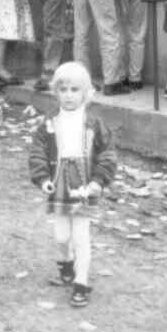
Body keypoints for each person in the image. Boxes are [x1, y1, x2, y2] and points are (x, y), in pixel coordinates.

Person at [27, 62, 117, 309]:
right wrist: (42, 177)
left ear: (86, 93)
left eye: (75, 90)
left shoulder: (94, 123)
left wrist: (98, 181)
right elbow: (37, 151)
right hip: (59, 182)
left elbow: (108, 154)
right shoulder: (50, 122)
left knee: (81, 235)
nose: (68, 95)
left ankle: (81, 281)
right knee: (62, 235)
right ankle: (65, 262)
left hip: (84, 183)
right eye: (63, 89)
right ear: (56, 92)